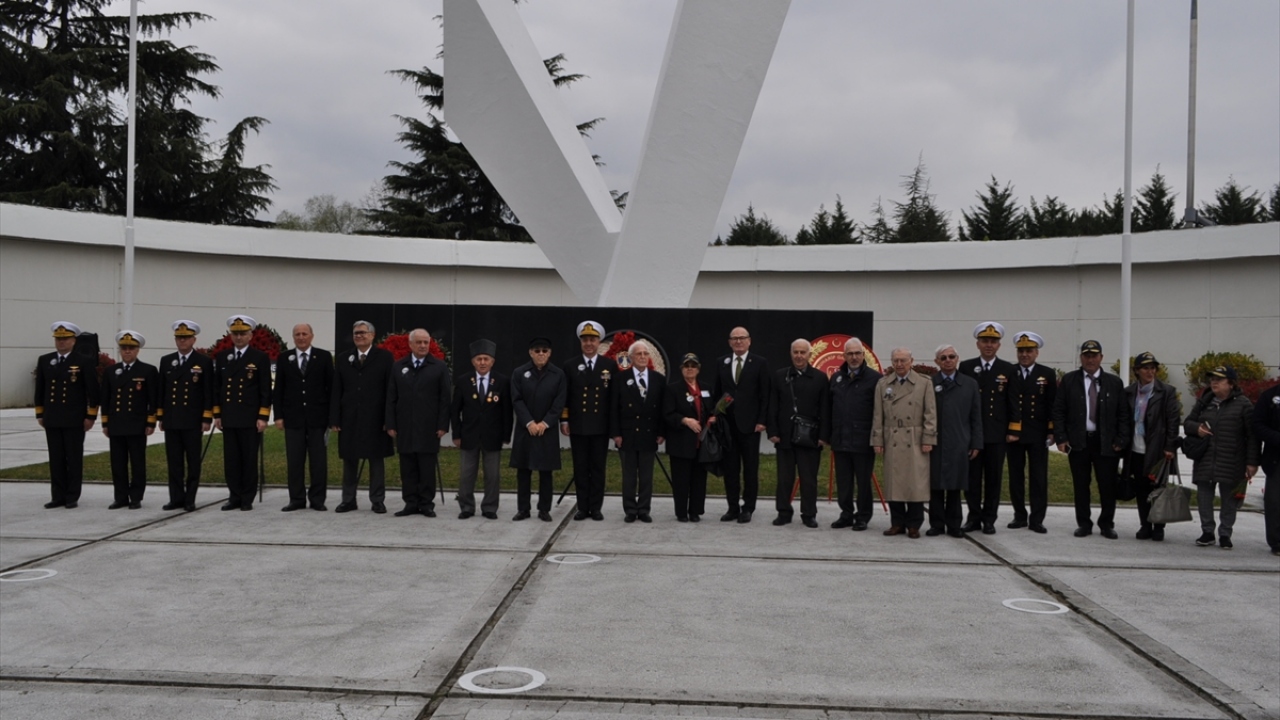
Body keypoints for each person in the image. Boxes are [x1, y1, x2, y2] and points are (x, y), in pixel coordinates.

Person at [1051, 340, 1130, 538]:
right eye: (1086, 355)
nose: (1090, 359)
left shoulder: (1114, 382)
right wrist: (1061, 437)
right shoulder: (1069, 380)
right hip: (1079, 442)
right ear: (1081, 358)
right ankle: (1084, 524)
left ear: (1101, 358)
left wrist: (1121, 439)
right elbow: (1059, 411)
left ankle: (1106, 524)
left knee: (1107, 485)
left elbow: (1123, 414)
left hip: (1106, 443)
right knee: (1080, 485)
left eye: (1094, 355)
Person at [1184, 366, 1259, 550]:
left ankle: (1225, 533)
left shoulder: (1243, 404)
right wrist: (1197, 429)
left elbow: (1252, 436)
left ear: (1231, 383)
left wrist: (1252, 462)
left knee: (1229, 499)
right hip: (1206, 459)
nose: (1214, 382)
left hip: (1232, 461)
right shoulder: (1205, 401)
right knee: (1204, 497)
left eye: (1219, 379)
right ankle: (1207, 532)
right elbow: (1187, 423)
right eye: (1212, 379)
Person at [958, 322, 1020, 534]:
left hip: (996, 434)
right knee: (972, 480)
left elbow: (1013, 401)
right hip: (972, 434)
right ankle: (973, 517)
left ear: (999, 345)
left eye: (993, 342)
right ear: (978, 344)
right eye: (985, 341)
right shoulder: (966, 367)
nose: (989, 345)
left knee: (993, 479)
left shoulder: (1008, 369)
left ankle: (989, 519)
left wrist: (1014, 429)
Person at [331, 321, 395, 514]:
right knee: (350, 460)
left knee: (376, 461)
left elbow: (390, 391)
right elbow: (337, 390)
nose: (359, 336)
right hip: (350, 418)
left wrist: (388, 419)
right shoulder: (344, 358)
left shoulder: (384, 358)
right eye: (355, 333)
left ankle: (377, 500)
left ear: (372, 335)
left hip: (376, 418)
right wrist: (335, 418)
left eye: (363, 333)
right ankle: (348, 499)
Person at [871, 347, 937, 538]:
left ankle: (914, 524)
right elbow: (878, 415)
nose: (899, 364)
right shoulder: (883, 384)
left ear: (911, 361)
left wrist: (928, 438)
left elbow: (930, 413)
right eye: (896, 361)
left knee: (915, 483)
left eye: (903, 361)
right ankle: (897, 523)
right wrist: (878, 440)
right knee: (894, 483)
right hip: (892, 436)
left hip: (914, 438)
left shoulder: (924, 383)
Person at [385, 328, 451, 518]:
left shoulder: (438, 366)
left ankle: (426, 503)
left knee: (426, 467)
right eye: (419, 342)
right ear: (411, 344)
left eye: (426, 342)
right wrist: (391, 423)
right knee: (408, 467)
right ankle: (410, 503)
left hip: (429, 427)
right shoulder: (399, 366)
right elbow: (391, 397)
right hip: (405, 425)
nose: (423, 346)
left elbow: (445, 399)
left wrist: (442, 425)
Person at [35, 321, 100, 509]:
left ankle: (72, 496)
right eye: (58, 339)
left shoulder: (83, 361)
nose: (61, 342)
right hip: (53, 417)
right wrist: (40, 413)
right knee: (55, 458)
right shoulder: (45, 360)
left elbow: (93, 391)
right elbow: (40, 389)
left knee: (73, 458)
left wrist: (90, 416)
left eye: (65, 339)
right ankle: (57, 495)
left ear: (74, 340)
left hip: (74, 418)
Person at [767, 339, 830, 528]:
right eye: (796, 352)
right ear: (791, 353)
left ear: (810, 355)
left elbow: (825, 409)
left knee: (809, 479)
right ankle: (784, 512)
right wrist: (773, 431)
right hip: (785, 436)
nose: (799, 356)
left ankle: (809, 514)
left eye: (803, 352)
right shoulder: (780, 376)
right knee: (784, 479)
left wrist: (823, 436)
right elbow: (773, 406)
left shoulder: (820, 378)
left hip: (810, 438)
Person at [711, 326, 771, 523]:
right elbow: (717, 392)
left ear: (749, 341)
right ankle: (733, 507)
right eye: (734, 339)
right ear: (729, 342)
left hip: (751, 425)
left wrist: (762, 420)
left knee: (750, 469)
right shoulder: (722, 362)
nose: (738, 342)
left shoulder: (759, 363)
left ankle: (748, 508)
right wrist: (716, 415)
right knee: (731, 468)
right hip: (728, 426)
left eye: (742, 338)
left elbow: (764, 394)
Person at [213, 315, 272, 511]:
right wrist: (217, 414)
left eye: (242, 334)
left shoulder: (259, 358)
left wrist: (263, 417)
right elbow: (217, 388)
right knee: (231, 460)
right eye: (235, 334)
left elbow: (265, 390)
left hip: (249, 418)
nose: (238, 337)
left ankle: (247, 497)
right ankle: (234, 496)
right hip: (229, 417)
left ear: (250, 335)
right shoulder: (223, 357)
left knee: (248, 460)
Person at [1122, 352, 1182, 542]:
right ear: (1137, 371)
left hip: (1158, 449)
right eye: (1145, 368)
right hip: (1136, 448)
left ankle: (1158, 526)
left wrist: (1170, 446)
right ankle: (1145, 524)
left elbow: (1173, 421)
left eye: (1152, 368)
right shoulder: (1129, 392)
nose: (1150, 371)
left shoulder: (1166, 392)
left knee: (1158, 489)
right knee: (1141, 489)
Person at [273, 324, 333, 512]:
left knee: (318, 462)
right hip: (293, 418)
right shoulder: (284, 358)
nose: (301, 337)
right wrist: (279, 416)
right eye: (297, 334)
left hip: (318, 419)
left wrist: (331, 418)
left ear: (312, 336)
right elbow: (279, 390)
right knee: (295, 461)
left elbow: (330, 389)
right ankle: (296, 499)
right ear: (293, 337)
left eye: (304, 334)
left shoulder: (323, 357)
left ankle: (317, 499)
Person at [560, 320, 616, 522]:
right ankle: (582, 507)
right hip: (579, 425)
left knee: (598, 468)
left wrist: (612, 426)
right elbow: (565, 396)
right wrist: (564, 420)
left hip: (600, 426)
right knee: (581, 468)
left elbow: (612, 400)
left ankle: (596, 507)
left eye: (592, 339)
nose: (589, 343)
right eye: (585, 340)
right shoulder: (570, 365)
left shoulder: (608, 365)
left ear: (599, 341)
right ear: (580, 342)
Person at [451, 338, 512, 519]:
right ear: (473, 362)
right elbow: (455, 411)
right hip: (468, 435)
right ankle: (466, 507)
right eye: (479, 359)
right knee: (466, 474)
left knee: (492, 475)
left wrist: (506, 435)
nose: (482, 363)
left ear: (492, 361)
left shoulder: (501, 381)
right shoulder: (463, 381)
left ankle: (490, 507)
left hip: (493, 436)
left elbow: (507, 411)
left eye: (486, 359)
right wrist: (456, 433)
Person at [158, 320, 214, 512]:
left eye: (186, 338)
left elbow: (208, 392)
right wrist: (161, 417)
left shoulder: (203, 362)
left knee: (192, 463)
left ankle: (190, 498)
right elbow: (162, 392)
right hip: (172, 420)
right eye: (179, 338)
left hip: (192, 421)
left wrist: (207, 418)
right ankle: (176, 498)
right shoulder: (167, 361)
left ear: (193, 339)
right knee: (174, 462)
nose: (182, 341)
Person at [827, 337, 882, 531]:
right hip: (841, 439)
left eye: (857, 353)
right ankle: (846, 514)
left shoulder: (875, 379)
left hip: (863, 440)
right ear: (844, 356)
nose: (854, 357)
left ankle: (863, 516)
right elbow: (829, 408)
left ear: (863, 354)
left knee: (863, 481)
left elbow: (879, 412)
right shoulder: (837, 378)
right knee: (844, 482)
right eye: (850, 354)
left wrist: (877, 438)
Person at [927, 345, 981, 537]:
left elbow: (976, 416)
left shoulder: (969, 384)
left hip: (960, 442)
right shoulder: (929, 384)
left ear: (957, 359)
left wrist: (976, 443)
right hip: (935, 442)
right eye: (943, 358)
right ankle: (936, 524)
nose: (947, 360)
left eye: (951, 356)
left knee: (955, 487)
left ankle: (954, 525)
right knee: (935, 486)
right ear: (937, 362)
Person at [101, 331, 159, 509]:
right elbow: (106, 398)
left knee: (137, 463)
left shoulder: (147, 371)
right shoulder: (111, 371)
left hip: (137, 424)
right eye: (124, 348)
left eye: (131, 348)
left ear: (137, 350)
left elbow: (153, 399)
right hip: (117, 424)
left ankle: (135, 497)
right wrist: (105, 422)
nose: (127, 351)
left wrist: (150, 422)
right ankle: (120, 497)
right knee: (117, 463)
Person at [510, 337, 566, 521]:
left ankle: (544, 509)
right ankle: (523, 509)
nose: (541, 354)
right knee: (523, 471)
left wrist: (545, 423)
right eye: (537, 351)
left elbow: (559, 403)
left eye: (544, 350)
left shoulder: (558, 374)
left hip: (546, 430)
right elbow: (516, 400)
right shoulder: (519, 373)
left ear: (549, 353)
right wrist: (529, 423)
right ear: (530, 353)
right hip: (526, 429)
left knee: (546, 471)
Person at [611, 340, 666, 523]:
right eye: (638, 354)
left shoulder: (658, 379)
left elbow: (662, 410)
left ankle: (643, 509)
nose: (642, 357)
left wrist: (661, 432)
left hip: (649, 433)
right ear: (631, 357)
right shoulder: (619, 379)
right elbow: (614, 409)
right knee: (628, 476)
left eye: (645, 354)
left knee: (646, 476)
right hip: (627, 434)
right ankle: (630, 510)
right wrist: (616, 434)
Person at [1006, 331, 1055, 533]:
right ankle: (1019, 516)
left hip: (1038, 433)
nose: (1024, 355)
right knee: (1016, 477)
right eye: (1021, 351)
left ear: (1036, 353)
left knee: (1038, 477)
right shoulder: (1010, 372)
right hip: (1014, 433)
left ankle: (1037, 519)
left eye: (1028, 351)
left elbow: (1052, 403)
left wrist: (1052, 431)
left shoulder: (1047, 373)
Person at [663, 353, 711, 522]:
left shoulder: (705, 388)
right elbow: (667, 414)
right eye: (686, 366)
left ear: (698, 369)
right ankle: (682, 512)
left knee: (699, 479)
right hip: (681, 441)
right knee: (681, 479)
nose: (690, 368)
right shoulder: (672, 389)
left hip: (701, 442)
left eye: (693, 365)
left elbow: (710, 410)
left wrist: (712, 418)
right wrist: (685, 420)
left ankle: (695, 511)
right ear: (681, 369)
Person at [1253, 381, 1280, 556]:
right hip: (1276, 460)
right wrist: (1277, 438)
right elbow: (1257, 424)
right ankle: (1277, 542)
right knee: (1275, 503)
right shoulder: (1270, 396)